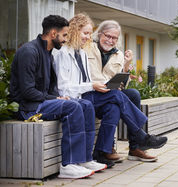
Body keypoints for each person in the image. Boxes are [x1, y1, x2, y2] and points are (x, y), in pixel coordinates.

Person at [52, 14, 167, 167]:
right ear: (74, 30)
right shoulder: (66, 53)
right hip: (78, 97)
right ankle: (140, 137)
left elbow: (88, 80)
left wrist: (120, 71)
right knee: (116, 96)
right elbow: (64, 88)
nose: (87, 37)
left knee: (114, 106)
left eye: (88, 33)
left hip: (92, 92)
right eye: (85, 33)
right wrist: (93, 85)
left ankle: (101, 152)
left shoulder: (82, 53)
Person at [9, 15, 106, 179]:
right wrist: (53, 99)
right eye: (65, 35)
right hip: (29, 107)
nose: (66, 39)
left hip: (41, 102)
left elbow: (51, 87)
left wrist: (56, 97)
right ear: (53, 34)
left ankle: (84, 159)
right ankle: (68, 165)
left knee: (86, 105)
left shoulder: (48, 52)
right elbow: (27, 92)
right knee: (73, 106)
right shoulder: (29, 52)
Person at [86, 20, 157, 162]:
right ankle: (140, 137)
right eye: (108, 36)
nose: (110, 41)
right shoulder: (87, 48)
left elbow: (122, 84)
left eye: (115, 38)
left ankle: (135, 148)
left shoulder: (118, 54)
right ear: (99, 34)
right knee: (115, 99)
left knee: (133, 95)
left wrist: (126, 66)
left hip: (110, 94)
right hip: (91, 92)